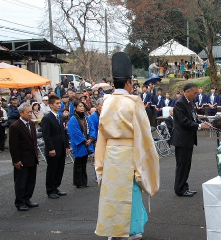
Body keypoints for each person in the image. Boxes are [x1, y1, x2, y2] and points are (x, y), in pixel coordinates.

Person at [94, 52, 159, 239]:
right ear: (129, 82)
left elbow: (101, 133)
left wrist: (100, 162)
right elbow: (143, 132)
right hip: (129, 152)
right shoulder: (134, 102)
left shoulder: (105, 102)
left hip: (110, 153)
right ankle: (131, 230)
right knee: (131, 192)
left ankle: (113, 228)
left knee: (112, 192)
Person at [171, 83, 211, 197]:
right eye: (194, 93)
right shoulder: (179, 104)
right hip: (181, 139)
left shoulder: (189, 103)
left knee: (187, 165)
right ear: (187, 92)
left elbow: (193, 118)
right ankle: (179, 189)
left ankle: (184, 187)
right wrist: (199, 126)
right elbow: (184, 122)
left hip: (187, 139)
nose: (196, 95)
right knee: (182, 165)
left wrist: (201, 122)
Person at [9, 103, 39, 211]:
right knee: (21, 181)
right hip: (22, 159)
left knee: (31, 180)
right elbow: (13, 145)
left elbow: (34, 141)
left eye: (31, 112)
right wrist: (16, 160)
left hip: (32, 157)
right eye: (28, 112)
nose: (30, 114)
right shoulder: (15, 126)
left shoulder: (31, 124)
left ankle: (27, 199)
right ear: (21, 113)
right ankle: (20, 201)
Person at [41, 95, 70, 199]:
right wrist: (50, 148)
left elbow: (65, 133)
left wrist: (66, 146)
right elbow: (46, 135)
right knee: (52, 169)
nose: (59, 105)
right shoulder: (47, 118)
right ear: (50, 105)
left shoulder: (61, 117)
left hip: (61, 147)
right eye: (57, 103)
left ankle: (56, 187)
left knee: (60, 169)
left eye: (59, 103)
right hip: (53, 147)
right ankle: (50, 189)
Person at [68, 100, 95, 188]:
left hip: (86, 142)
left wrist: (90, 139)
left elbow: (92, 128)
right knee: (78, 163)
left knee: (84, 163)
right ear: (75, 108)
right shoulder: (73, 119)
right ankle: (78, 182)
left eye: (82, 106)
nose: (82, 107)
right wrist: (84, 140)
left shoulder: (86, 118)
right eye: (79, 106)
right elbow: (74, 132)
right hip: (79, 144)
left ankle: (84, 181)